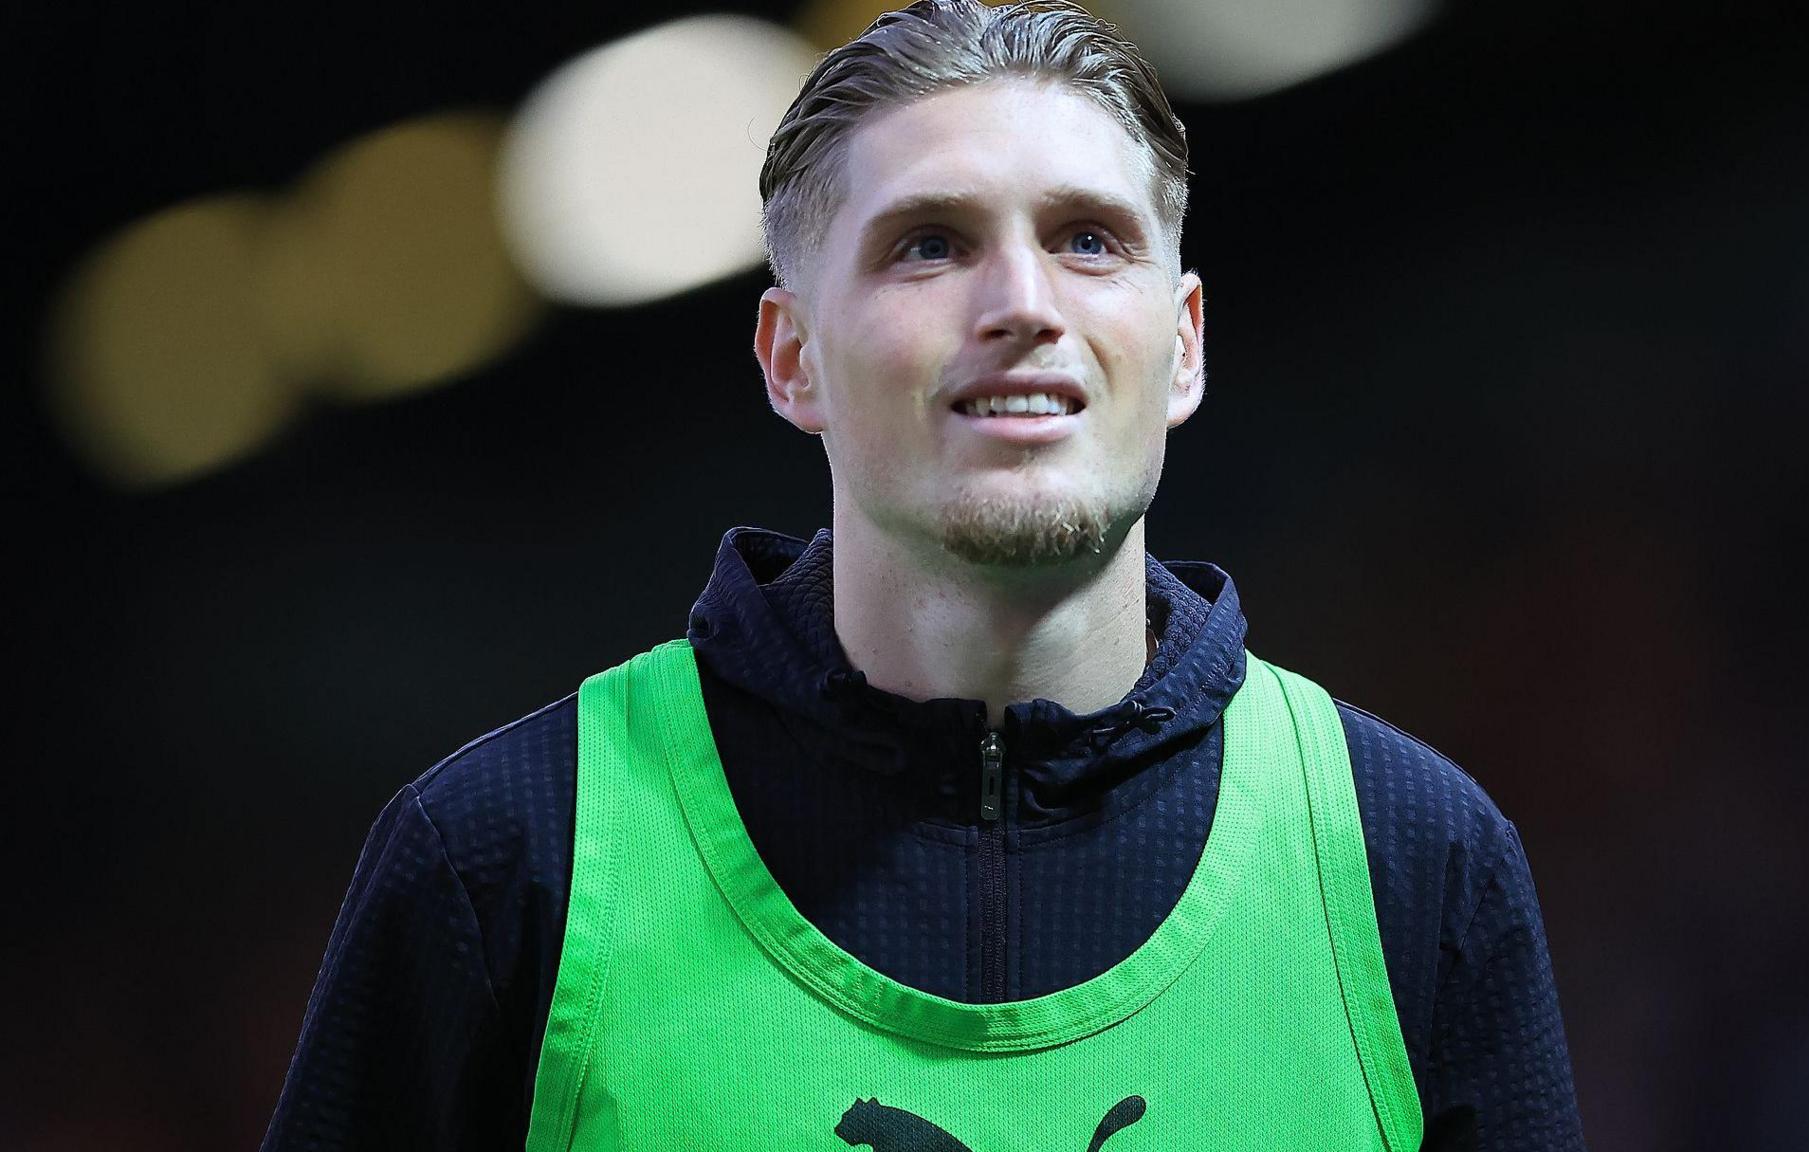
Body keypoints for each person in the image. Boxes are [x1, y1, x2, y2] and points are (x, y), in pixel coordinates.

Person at [261, 2, 1585, 1149]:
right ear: (793, 360)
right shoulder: (504, 860)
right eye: (930, 245)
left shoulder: (1418, 859)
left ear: (1181, 346)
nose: (1021, 303)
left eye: (1089, 240)